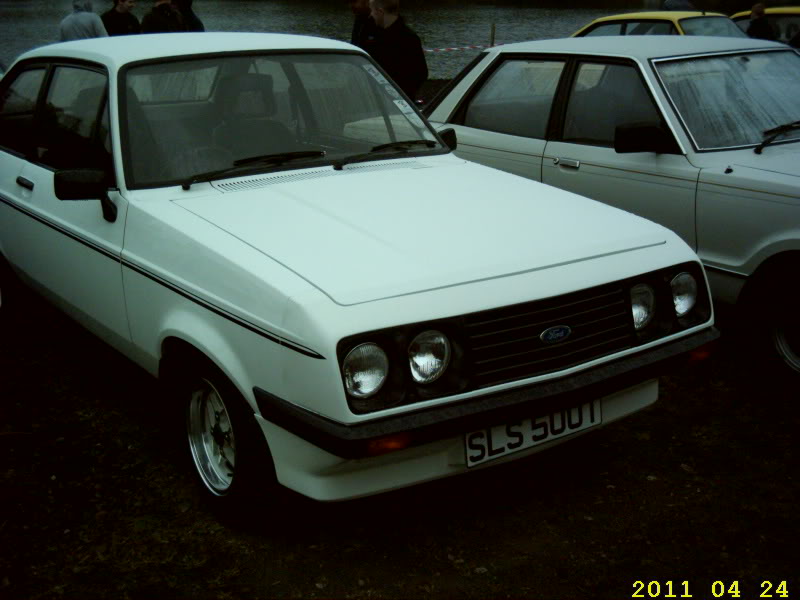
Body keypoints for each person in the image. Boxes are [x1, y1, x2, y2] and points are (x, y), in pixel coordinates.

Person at [366, 0, 428, 99]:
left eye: (372, 11)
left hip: (398, 99)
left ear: (380, 11)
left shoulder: (408, 39)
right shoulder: (376, 35)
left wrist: (400, 94)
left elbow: (420, 73)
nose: (371, 15)